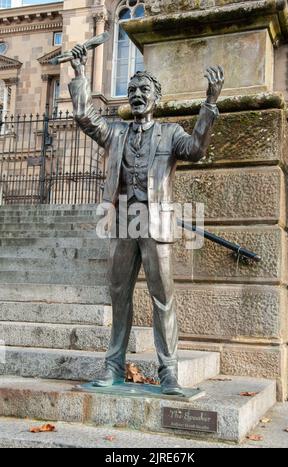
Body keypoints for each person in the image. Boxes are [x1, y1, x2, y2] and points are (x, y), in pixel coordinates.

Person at [69, 43, 224, 395]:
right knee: (119, 294)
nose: (138, 95)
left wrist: (210, 104)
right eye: (133, 91)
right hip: (123, 220)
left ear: (156, 96)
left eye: (145, 90)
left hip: (156, 224)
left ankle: (168, 372)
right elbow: (84, 117)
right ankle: (113, 367)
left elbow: (197, 150)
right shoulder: (115, 132)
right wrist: (80, 74)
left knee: (162, 297)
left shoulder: (171, 133)